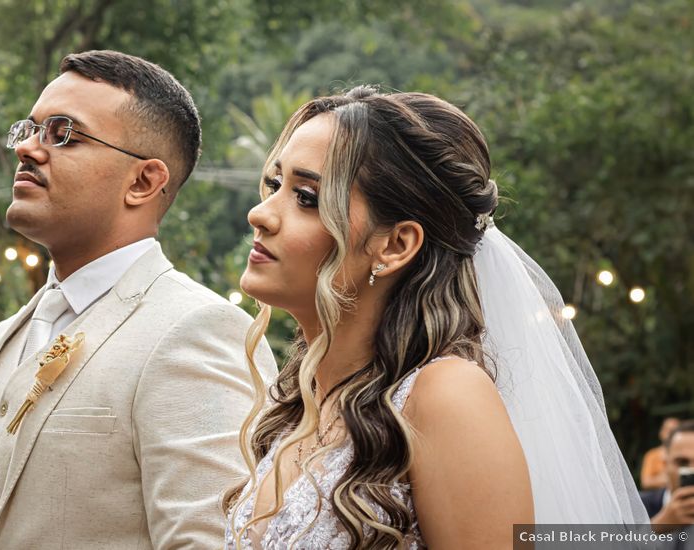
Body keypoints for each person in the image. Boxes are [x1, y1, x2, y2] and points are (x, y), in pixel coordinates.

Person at [223, 87, 648, 548]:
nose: (259, 214)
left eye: (306, 197)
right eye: (273, 185)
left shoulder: (444, 397)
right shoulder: (301, 404)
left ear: (395, 244)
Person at [0, 49, 276, 549]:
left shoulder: (198, 329)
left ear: (143, 182)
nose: (29, 149)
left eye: (63, 134)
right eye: (30, 130)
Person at [642, 420, 694, 533]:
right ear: (665, 464)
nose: (691, 470)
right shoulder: (637, 506)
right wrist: (656, 527)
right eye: (682, 462)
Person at [643, 417, 682, 490]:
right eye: (668, 430)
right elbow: (646, 482)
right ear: (661, 432)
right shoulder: (652, 455)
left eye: (674, 431)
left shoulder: (684, 454)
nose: (670, 434)